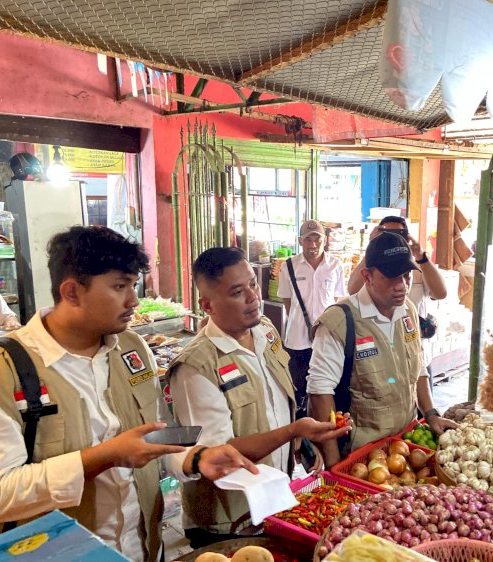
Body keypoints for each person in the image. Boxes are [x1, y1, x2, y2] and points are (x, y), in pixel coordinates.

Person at [0, 226, 256, 562]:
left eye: (133, 285)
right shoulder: (1, 370)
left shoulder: (130, 348)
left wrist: (195, 457)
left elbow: (153, 437)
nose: (133, 300)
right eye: (120, 286)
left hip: (142, 549)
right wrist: (103, 457)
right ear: (71, 292)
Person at [166, 246, 350, 548]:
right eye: (238, 292)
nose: (254, 297)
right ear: (207, 304)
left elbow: (275, 405)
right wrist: (293, 430)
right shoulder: (196, 367)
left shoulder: (265, 330)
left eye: (253, 284)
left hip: (273, 501)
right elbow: (220, 453)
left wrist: (299, 443)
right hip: (230, 522)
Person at [307, 232, 457, 467]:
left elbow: (418, 369)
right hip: (361, 456)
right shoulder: (340, 321)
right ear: (367, 276)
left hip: (405, 444)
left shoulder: (407, 310)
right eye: (390, 277)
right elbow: (319, 392)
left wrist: (430, 413)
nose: (401, 286)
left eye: (406, 276)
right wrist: (334, 462)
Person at [347, 216, 448, 385]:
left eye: (399, 234)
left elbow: (441, 293)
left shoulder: (417, 267)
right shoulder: (374, 270)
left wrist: (420, 256)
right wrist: (372, 250)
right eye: (386, 233)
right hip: (380, 357)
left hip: (415, 354)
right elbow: (353, 289)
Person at [277, 219, 346, 414]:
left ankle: (322, 425)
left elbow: (337, 300)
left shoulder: (335, 266)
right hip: (297, 339)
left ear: (325, 240)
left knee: (324, 386)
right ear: (300, 241)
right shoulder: (288, 266)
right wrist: (300, 321)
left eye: (317, 239)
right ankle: (299, 429)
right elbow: (287, 301)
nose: (313, 244)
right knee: (298, 388)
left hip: (326, 338)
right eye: (308, 240)